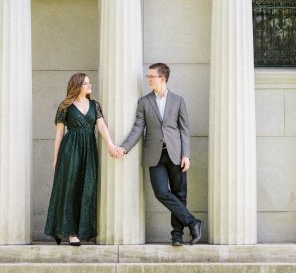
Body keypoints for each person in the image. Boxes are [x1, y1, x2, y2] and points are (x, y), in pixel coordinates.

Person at [115, 63, 203, 246]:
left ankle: (177, 235)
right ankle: (193, 222)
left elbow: (185, 129)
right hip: (154, 155)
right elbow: (138, 128)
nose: (148, 79)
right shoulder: (144, 102)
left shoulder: (178, 101)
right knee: (161, 192)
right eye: (148, 76)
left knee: (180, 194)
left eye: (151, 76)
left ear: (162, 78)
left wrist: (186, 155)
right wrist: (124, 148)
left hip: (176, 154)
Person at [44, 72, 121, 246]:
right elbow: (59, 134)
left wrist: (110, 144)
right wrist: (55, 158)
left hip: (89, 150)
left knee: (87, 189)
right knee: (69, 190)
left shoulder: (95, 105)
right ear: (77, 86)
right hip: (70, 150)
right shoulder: (65, 106)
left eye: (89, 83)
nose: (89, 85)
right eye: (86, 83)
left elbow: (101, 125)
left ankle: (75, 229)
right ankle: (71, 232)